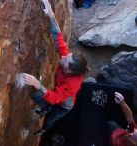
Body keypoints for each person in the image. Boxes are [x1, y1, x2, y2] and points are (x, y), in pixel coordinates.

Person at [22, 0, 88, 136]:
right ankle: (45, 109)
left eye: (65, 60)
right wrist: (51, 16)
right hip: (58, 93)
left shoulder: (71, 85)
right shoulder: (69, 61)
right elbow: (58, 38)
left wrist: (37, 84)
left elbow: (55, 98)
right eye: (67, 55)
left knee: (52, 118)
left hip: (64, 105)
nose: (62, 57)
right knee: (41, 99)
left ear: (69, 71)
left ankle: (43, 130)